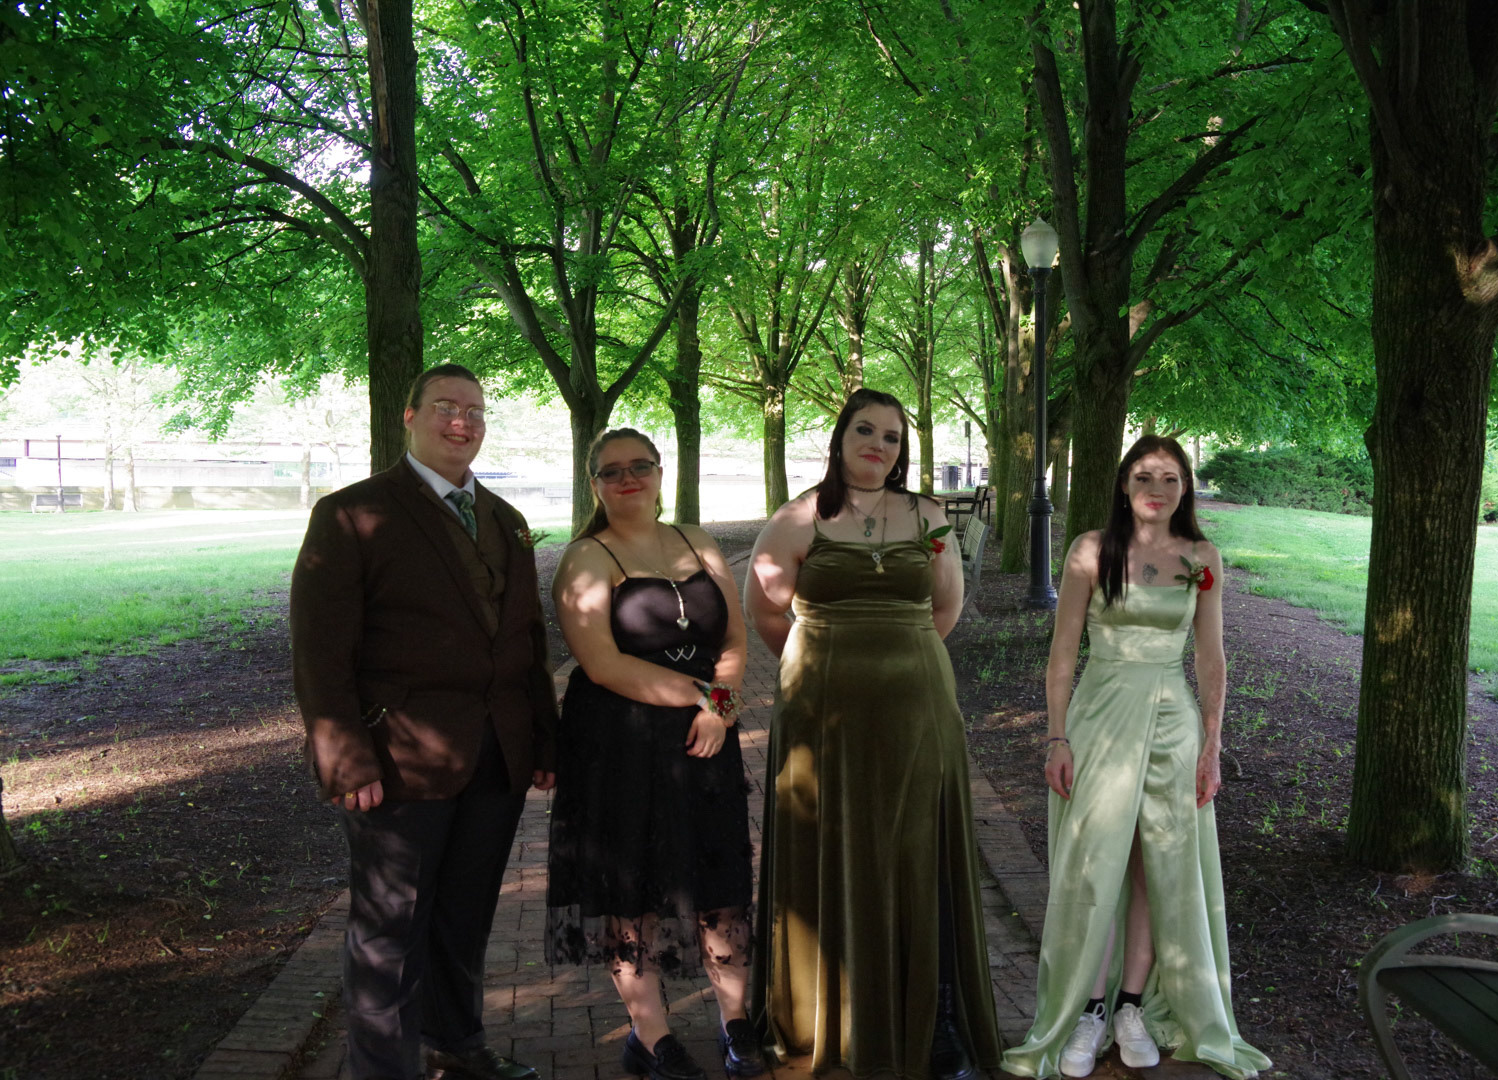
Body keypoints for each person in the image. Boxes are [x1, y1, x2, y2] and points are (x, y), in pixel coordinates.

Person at [291, 363, 556, 1080]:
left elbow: (527, 640)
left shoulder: (506, 520)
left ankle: (454, 1044)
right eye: (445, 407)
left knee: (464, 917)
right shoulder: (352, 514)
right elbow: (320, 651)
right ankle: (383, 1070)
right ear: (408, 416)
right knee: (390, 930)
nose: (462, 422)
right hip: (396, 761)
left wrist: (542, 738)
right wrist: (345, 757)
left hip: (496, 755)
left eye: (474, 410)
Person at [744, 389, 1000, 1080]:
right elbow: (764, 609)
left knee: (919, 848)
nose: (878, 446)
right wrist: (824, 665)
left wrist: (897, 653)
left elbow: (945, 606)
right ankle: (826, 1014)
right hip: (821, 715)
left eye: (892, 437)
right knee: (831, 843)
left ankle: (936, 1020)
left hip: (917, 707)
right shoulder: (799, 516)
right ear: (839, 438)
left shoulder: (928, 515)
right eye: (865, 430)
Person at [1001, 436, 1270, 1080]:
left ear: (1186, 489)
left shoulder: (1202, 557)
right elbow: (1063, 651)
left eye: (1171, 478)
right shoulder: (1091, 550)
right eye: (1144, 476)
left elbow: (1211, 658)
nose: (1157, 488)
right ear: (1124, 484)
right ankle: (1088, 1009)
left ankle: (1130, 1006)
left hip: (1174, 726)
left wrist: (1212, 744)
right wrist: (1056, 736)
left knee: (1158, 862)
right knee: (1096, 863)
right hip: (1100, 719)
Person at [545, 428, 759, 1080]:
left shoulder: (698, 542)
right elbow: (603, 664)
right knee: (631, 887)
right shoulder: (587, 558)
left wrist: (720, 709)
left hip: (704, 739)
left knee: (718, 877)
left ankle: (736, 1023)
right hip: (620, 743)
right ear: (594, 485)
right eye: (612, 471)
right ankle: (651, 1036)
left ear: (661, 473)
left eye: (640, 465)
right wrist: (705, 697)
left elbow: (735, 637)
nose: (628, 478)